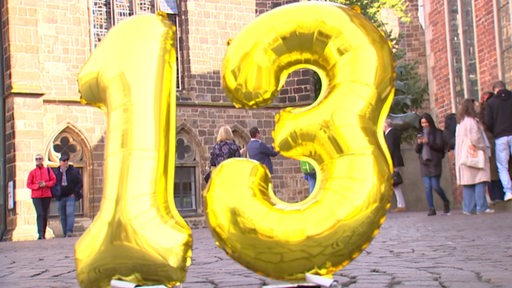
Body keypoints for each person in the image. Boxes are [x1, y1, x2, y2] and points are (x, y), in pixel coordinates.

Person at [455, 98, 494, 215]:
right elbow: (476, 138)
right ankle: (481, 206)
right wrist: (483, 147)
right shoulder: (472, 121)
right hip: (475, 155)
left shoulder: (461, 122)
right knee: (480, 180)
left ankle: (468, 207)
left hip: (464, 155)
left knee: (468, 183)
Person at [415, 113, 451, 216]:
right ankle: (431, 208)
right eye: (422, 123)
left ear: (430, 122)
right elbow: (417, 150)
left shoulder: (438, 133)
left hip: (434, 162)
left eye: (426, 122)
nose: (424, 125)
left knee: (435, 185)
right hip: (424, 163)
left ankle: (445, 201)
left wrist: (428, 142)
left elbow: (440, 146)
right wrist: (419, 143)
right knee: (427, 186)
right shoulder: (420, 133)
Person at [484, 80, 512, 202]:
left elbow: (488, 122)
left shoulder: (491, 103)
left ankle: (508, 192)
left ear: (495, 90)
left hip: (500, 136)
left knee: (502, 166)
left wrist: (495, 130)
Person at [479, 91, 505, 203]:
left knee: (494, 171)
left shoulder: (486, 109)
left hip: (492, 141)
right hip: (494, 139)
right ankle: (499, 195)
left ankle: (496, 196)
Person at [27, 154, 56, 240]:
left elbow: (53, 180)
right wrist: (37, 186)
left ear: (42, 160)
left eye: (40, 159)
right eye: (37, 159)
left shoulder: (48, 170)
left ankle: (43, 232)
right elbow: (29, 184)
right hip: (36, 196)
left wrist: (45, 184)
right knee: (39, 213)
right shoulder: (32, 172)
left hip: (46, 195)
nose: (38, 160)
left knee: (45, 214)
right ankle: (40, 234)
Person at [53, 153, 83, 237]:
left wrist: (75, 193)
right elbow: (53, 183)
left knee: (70, 213)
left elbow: (80, 182)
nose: (65, 162)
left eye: (66, 160)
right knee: (62, 215)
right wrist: (55, 193)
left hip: (70, 196)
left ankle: (69, 231)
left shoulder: (73, 170)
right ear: (60, 162)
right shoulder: (56, 172)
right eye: (63, 161)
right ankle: (65, 232)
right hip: (61, 196)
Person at [384, 119, 407, 212]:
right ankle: (400, 204)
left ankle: (401, 204)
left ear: (385, 125)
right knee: (395, 184)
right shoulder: (392, 133)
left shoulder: (390, 134)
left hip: (393, 161)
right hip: (394, 160)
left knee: (395, 183)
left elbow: (391, 148)